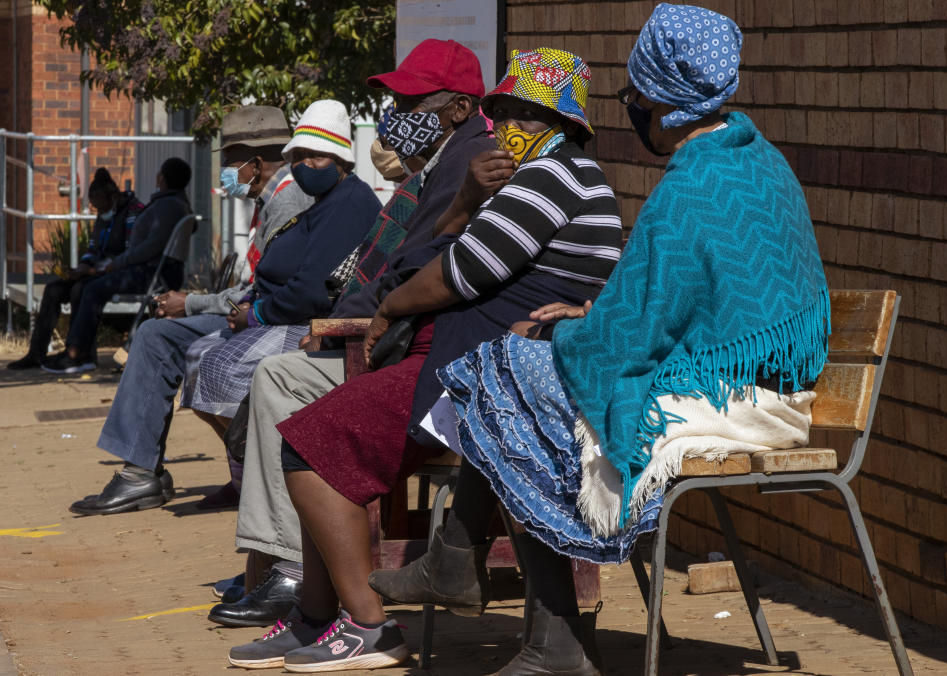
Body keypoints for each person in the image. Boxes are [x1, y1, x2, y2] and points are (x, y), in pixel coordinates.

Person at [371, 5, 830, 674]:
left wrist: (572, 328)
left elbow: (635, 335)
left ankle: (523, 613)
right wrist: (588, 315)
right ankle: (474, 574)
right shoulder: (752, 156)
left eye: (637, 93)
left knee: (504, 370)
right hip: (764, 376)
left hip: (735, 396)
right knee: (515, 365)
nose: (631, 105)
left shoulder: (691, 185)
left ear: (661, 100)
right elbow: (678, 300)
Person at [228, 46, 621, 673]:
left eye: (526, 113)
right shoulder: (524, 174)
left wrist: (386, 312)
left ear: (561, 123)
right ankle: (327, 611)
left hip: (479, 370)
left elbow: (457, 272)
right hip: (480, 364)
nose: (511, 125)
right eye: (507, 111)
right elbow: (431, 255)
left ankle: (367, 626)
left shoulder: (550, 177)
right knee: (316, 428)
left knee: (307, 442)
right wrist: (462, 207)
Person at [212, 38, 497, 635]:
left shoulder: (470, 165)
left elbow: (425, 270)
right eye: (395, 99)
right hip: (396, 339)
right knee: (274, 379)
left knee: (279, 385)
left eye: (412, 100)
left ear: (458, 108)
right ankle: (280, 564)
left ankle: (293, 569)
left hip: (429, 356)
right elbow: (404, 265)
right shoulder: (445, 164)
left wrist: (367, 319)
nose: (396, 113)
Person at [68, 105, 313, 516]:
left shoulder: (289, 201)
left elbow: (262, 289)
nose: (226, 172)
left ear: (255, 162)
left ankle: (145, 474)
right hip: (259, 309)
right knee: (156, 334)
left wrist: (191, 303)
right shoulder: (271, 198)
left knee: (158, 337)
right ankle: (146, 472)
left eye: (232, 162)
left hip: (273, 318)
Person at [176, 99, 380, 437]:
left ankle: (262, 461)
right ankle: (241, 466)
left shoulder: (350, 203)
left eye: (317, 156)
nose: (305, 165)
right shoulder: (322, 204)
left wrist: (255, 314)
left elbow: (312, 290)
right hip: (276, 313)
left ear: (342, 160)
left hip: (311, 325)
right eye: (298, 157)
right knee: (198, 356)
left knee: (219, 366)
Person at [42, 157, 193, 374]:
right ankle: (77, 351)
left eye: (160, 172)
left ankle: (77, 353)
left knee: (93, 289)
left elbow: (150, 247)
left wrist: (117, 263)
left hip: (153, 273)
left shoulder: (168, 206)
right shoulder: (174, 203)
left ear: (164, 178)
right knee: (87, 285)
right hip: (151, 269)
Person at [7, 169, 143, 370]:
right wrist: (82, 267)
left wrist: (93, 272)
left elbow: (130, 253)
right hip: (95, 271)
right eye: (96, 208)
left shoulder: (133, 212)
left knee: (81, 289)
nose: (99, 212)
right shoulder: (103, 215)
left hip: (118, 273)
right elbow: (93, 248)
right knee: (53, 289)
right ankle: (36, 353)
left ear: (113, 197)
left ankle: (78, 351)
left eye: (101, 206)